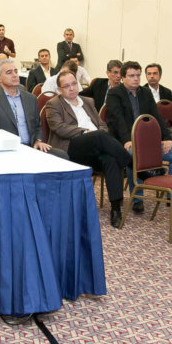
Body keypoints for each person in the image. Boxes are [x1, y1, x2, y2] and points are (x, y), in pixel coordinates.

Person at [45, 70, 129, 228]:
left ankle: (115, 208)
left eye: (74, 83)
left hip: (96, 149)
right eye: (66, 86)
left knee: (110, 159)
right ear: (59, 90)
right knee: (99, 136)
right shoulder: (54, 104)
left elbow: (102, 124)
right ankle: (131, 164)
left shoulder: (88, 101)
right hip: (72, 149)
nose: (72, 88)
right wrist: (85, 132)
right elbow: (59, 128)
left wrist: (98, 133)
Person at [105, 60, 172, 213]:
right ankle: (137, 199)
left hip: (147, 142)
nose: (136, 79)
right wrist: (127, 140)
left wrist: (166, 138)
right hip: (124, 141)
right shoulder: (114, 93)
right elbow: (118, 121)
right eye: (131, 76)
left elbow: (156, 117)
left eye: (138, 75)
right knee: (133, 154)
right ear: (123, 77)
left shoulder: (145, 92)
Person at [0, 59, 66, 158]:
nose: (15, 75)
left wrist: (38, 140)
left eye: (16, 71)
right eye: (9, 72)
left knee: (62, 156)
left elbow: (37, 126)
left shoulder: (30, 98)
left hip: (32, 146)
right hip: (7, 150)